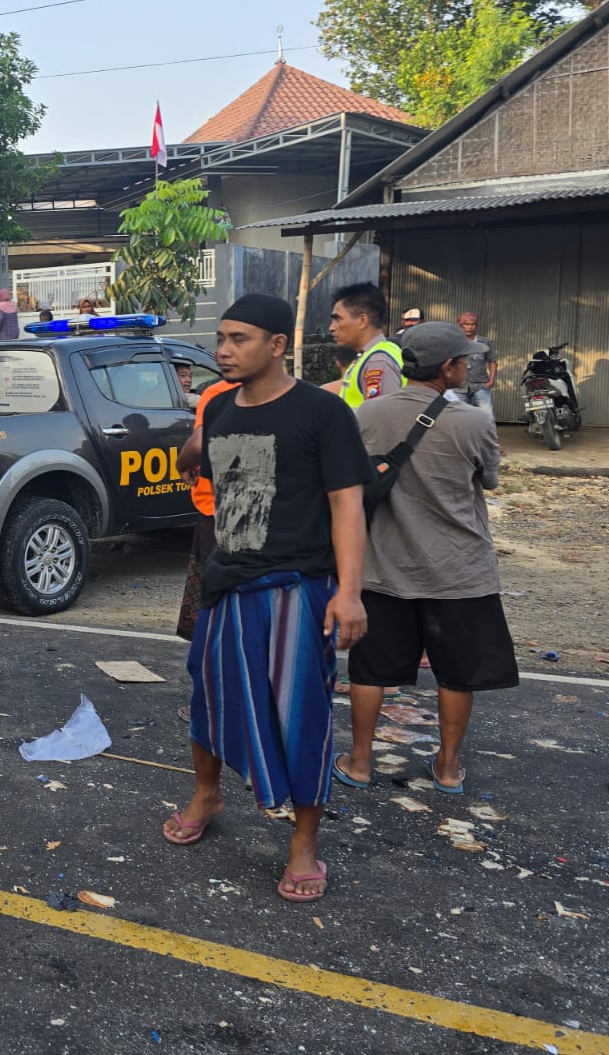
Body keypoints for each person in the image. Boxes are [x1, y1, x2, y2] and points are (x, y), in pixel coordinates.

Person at [164, 293, 371, 905]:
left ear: (278, 345)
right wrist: (197, 441)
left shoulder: (321, 412)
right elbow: (195, 471)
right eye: (221, 339)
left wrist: (350, 592)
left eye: (239, 339)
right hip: (228, 581)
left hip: (297, 588)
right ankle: (208, 793)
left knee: (301, 713)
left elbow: (347, 504)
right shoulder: (221, 406)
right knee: (207, 696)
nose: (223, 351)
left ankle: (304, 842)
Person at [331, 323, 516, 796]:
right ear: (449, 367)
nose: (468, 366)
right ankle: (448, 768)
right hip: (459, 571)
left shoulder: (365, 414)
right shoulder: (474, 421)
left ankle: (359, 761)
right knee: (457, 673)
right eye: (464, 360)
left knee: (370, 670)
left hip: (383, 568)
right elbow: (490, 480)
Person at [175, 375, 237, 644]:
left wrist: (182, 464)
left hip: (215, 508)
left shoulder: (217, 393)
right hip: (264, 515)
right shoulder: (290, 397)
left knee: (216, 591)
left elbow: (198, 444)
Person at [328, 282, 402, 407]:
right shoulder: (378, 353)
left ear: (362, 321)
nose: (331, 327)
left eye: (337, 319)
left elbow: (382, 420)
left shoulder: (378, 362)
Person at [454, 313, 496, 416]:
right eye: (466, 324)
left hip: (480, 385)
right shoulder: (454, 342)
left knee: (487, 416)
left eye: (473, 324)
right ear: (460, 325)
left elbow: (492, 361)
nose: (470, 327)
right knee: (460, 417)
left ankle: (487, 433)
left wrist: (491, 381)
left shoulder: (484, 342)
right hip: (458, 387)